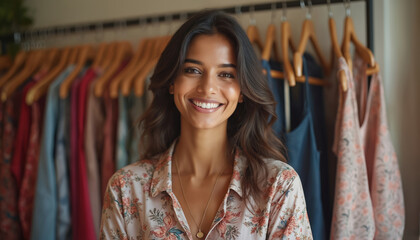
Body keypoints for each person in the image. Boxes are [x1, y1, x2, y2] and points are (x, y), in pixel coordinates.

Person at [100, 10, 312, 239]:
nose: (207, 87)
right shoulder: (126, 189)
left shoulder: (278, 187)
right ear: (172, 81)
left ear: (242, 91)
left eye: (226, 74)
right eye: (193, 70)